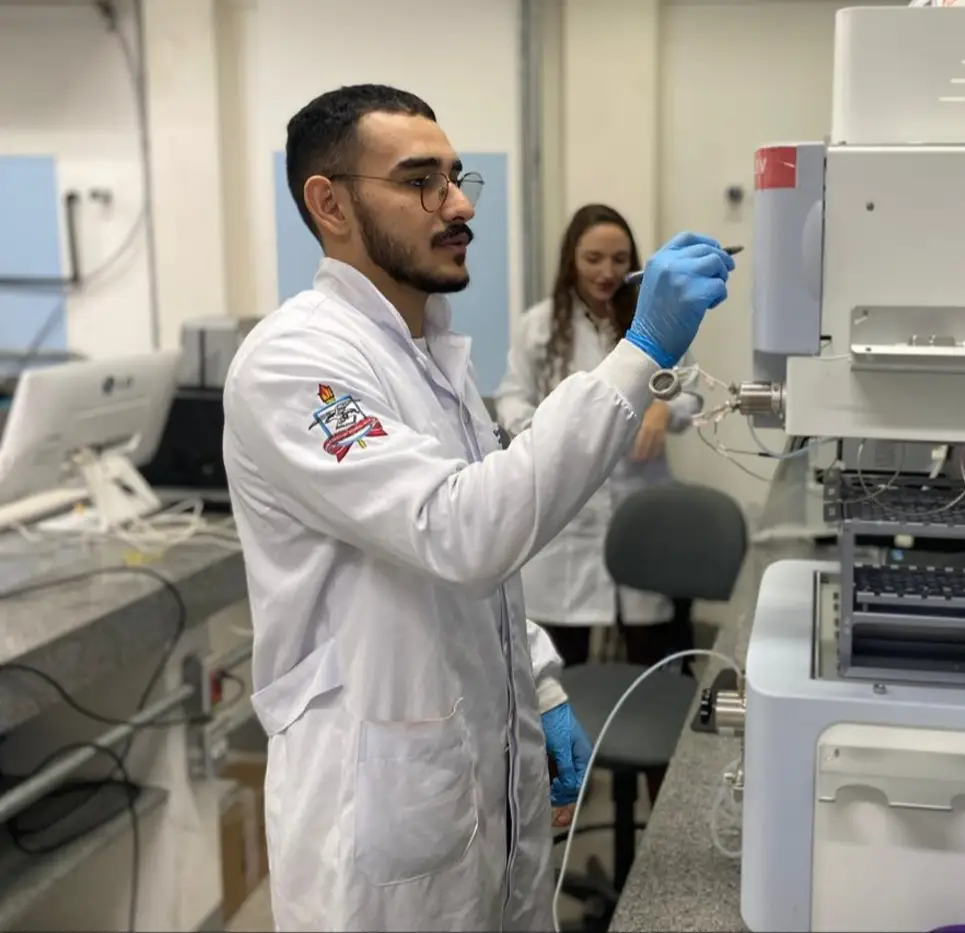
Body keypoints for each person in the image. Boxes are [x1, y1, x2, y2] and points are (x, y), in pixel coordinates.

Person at [220, 84, 734, 932]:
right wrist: (639, 352)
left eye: (457, 179)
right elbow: (461, 531)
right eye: (420, 181)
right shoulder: (294, 362)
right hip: (376, 805)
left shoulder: (432, 353)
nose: (459, 205)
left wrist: (541, 679)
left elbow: (476, 544)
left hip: (479, 774)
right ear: (330, 203)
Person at [495, 204, 702, 675]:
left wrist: (664, 408)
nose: (607, 272)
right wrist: (547, 435)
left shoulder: (657, 322)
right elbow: (511, 397)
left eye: (619, 259)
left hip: (639, 503)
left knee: (653, 658)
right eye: (593, 259)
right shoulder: (539, 325)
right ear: (571, 259)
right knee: (558, 668)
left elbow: (694, 392)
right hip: (566, 513)